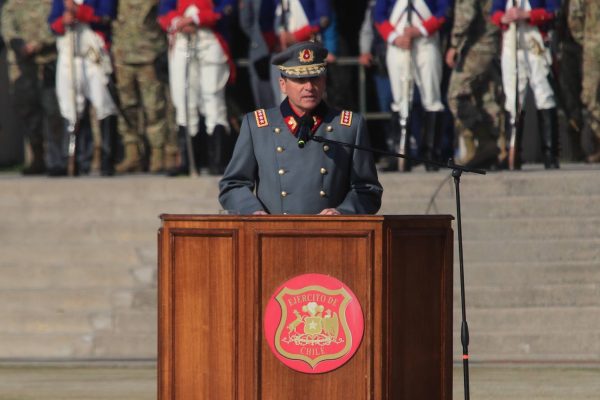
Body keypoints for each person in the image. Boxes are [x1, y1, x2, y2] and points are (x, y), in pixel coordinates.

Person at [219, 41, 383, 215]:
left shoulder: (349, 126)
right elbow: (233, 185)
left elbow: (368, 190)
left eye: (315, 78)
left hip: (330, 235)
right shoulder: (258, 126)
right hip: (273, 234)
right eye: (300, 79)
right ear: (283, 84)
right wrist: (253, 212)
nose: (309, 87)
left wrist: (342, 212)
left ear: (324, 80)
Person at [373, 0, 453, 171]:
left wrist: (421, 30)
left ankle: (431, 154)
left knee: (432, 98)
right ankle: (401, 153)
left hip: (426, 43)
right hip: (398, 45)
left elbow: (444, 10)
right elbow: (379, 15)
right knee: (400, 99)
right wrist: (395, 37)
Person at [158, 0, 235, 176]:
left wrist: (196, 19)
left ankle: (218, 160)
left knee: (213, 99)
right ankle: (188, 161)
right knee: (183, 98)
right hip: (182, 40)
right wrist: (179, 22)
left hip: (210, 40)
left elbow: (226, 7)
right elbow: (164, 11)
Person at [48, 0, 119, 176]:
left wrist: (79, 12)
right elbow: (52, 23)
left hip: (93, 54)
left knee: (104, 103)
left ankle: (107, 159)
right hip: (69, 54)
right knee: (70, 107)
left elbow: (106, 15)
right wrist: (63, 21)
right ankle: (71, 159)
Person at [491, 0, 560, 169]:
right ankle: (513, 153)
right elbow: (495, 12)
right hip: (511, 41)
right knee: (513, 98)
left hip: (534, 39)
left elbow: (553, 11)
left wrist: (527, 15)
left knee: (544, 94)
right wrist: (504, 18)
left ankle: (550, 154)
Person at [1, 0, 64, 175]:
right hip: (22, 67)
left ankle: (57, 159)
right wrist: (20, 46)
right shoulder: (12, 5)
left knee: (53, 111)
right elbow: (8, 30)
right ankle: (38, 157)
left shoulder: (51, 2)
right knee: (28, 112)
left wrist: (37, 44)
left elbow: (56, 25)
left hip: (48, 63)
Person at [112, 0, 171, 174]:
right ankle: (133, 155)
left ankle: (158, 154)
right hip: (123, 54)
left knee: (154, 108)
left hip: (149, 54)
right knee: (126, 107)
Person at [445, 0, 503, 168]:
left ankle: (486, 142)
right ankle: (493, 149)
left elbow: (466, 13)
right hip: (491, 40)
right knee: (485, 97)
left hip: (477, 44)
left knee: (455, 95)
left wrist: (454, 44)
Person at [259, 0, 332, 104]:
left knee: (312, 98)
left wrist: (296, 36)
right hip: (280, 53)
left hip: (308, 53)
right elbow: (264, 21)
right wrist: (275, 42)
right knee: (281, 101)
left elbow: (324, 18)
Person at [568, 0, 600, 163]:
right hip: (593, 47)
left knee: (591, 94)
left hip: (592, 45)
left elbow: (575, 18)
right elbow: (574, 17)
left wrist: (588, 39)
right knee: (590, 94)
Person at [239, 0, 276, 109]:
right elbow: (246, 22)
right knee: (265, 99)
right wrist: (258, 38)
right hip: (261, 47)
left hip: (284, 43)